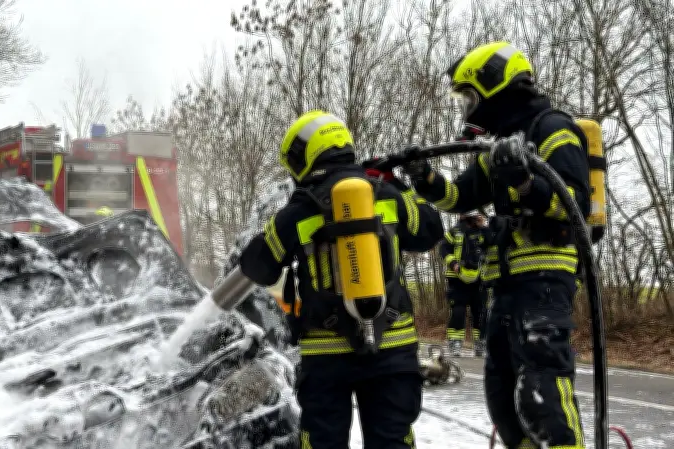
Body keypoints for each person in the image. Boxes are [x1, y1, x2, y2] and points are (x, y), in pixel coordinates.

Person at [400, 41, 589, 449]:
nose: (468, 107)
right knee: (502, 399)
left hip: (543, 283)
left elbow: (576, 202)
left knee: (542, 395)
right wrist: (424, 177)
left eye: (469, 96)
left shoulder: (552, 128)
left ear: (495, 86)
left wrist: (525, 182)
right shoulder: (499, 146)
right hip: (503, 288)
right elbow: (459, 197)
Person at [237, 110, 444, 448]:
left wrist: (278, 225)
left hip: (327, 355)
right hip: (393, 348)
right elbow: (431, 231)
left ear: (307, 154)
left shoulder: (298, 212)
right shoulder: (386, 194)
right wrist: (396, 183)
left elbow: (257, 267)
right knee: (393, 441)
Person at [439, 211, 488, 358]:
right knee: (458, 312)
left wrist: (484, 227)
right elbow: (443, 249)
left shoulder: (483, 232)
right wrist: (453, 263)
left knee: (480, 313)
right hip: (457, 279)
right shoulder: (454, 231)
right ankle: (455, 343)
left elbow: (491, 245)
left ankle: (480, 343)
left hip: (479, 279)